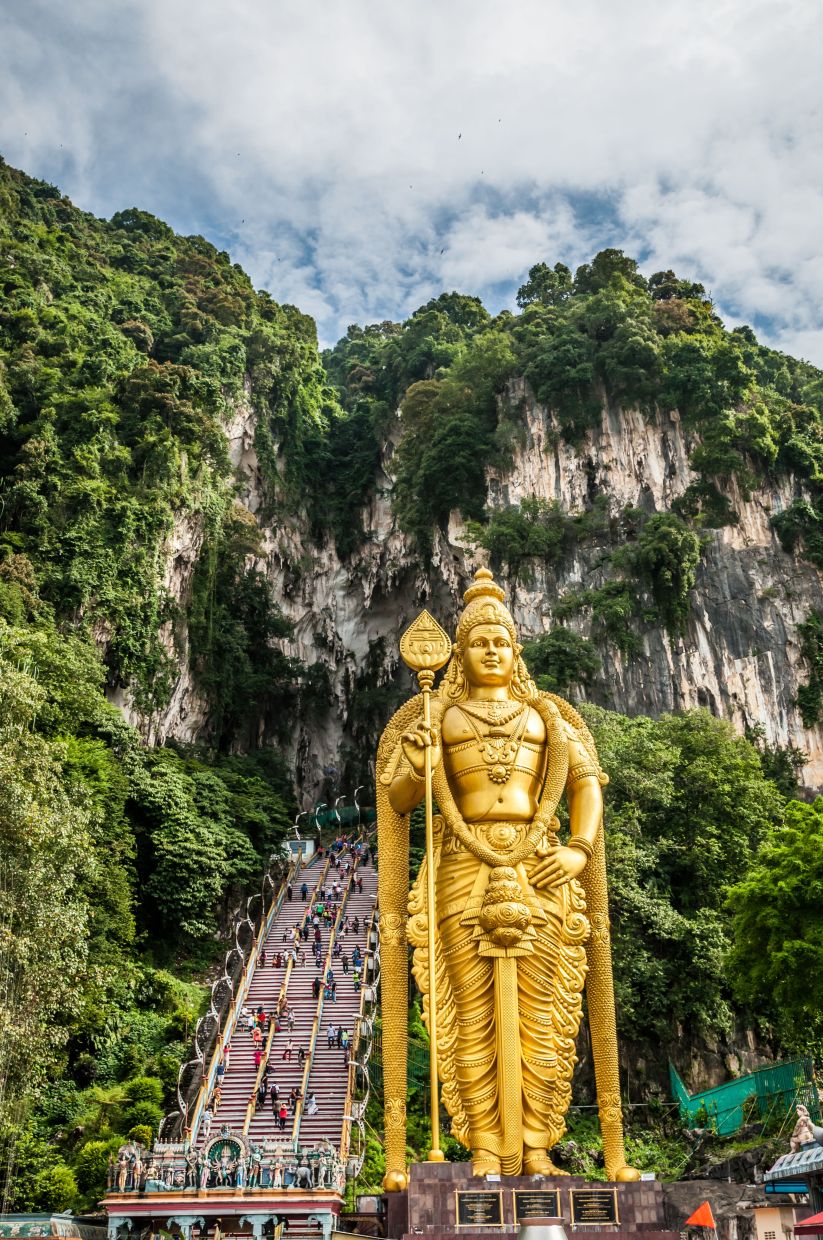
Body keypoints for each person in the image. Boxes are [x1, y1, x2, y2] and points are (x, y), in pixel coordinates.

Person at [377, 567, 639, 1184]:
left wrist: (577, 849)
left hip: (540, 866)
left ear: (515, 649)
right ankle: (486, 1149)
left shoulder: (545, 716)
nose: (490, 650)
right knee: (469, 1017)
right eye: (478, 642)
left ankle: (539, 1145)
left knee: (546, 1012)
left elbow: (586, 786)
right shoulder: (436, 715)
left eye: (500, 641)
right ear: (459, 655)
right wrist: (418, 759)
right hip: (464, 869)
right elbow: (397, 798)